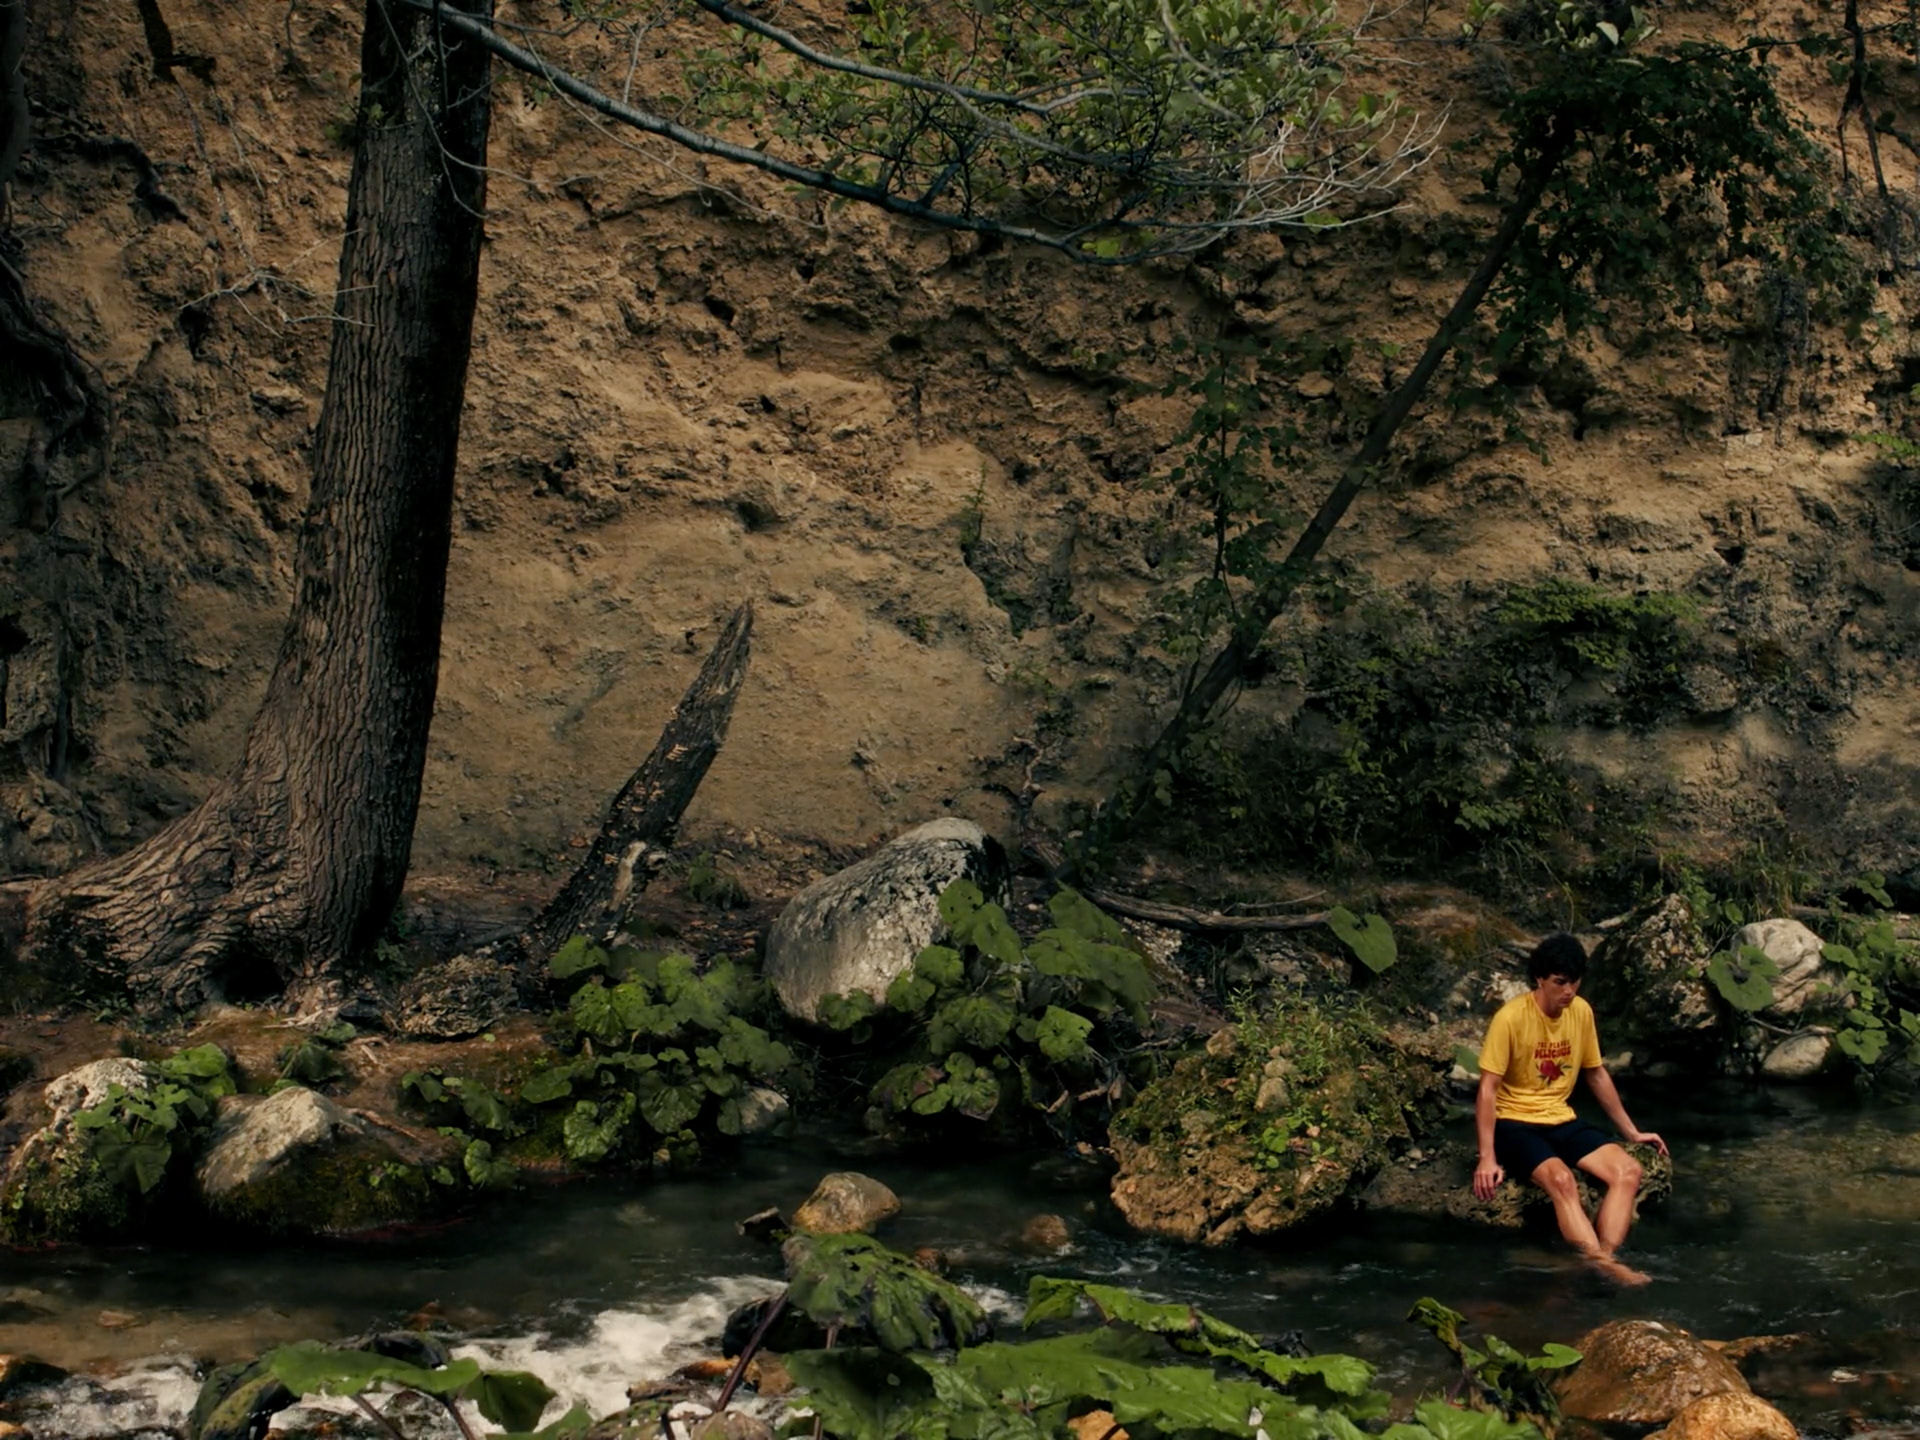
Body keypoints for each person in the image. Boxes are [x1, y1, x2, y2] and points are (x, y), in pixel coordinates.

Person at [1472, 932, 1668, 1285]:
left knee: (1628, 1171)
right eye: (1560, 982)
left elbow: (1596, 1073)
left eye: (1574, 982)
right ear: (1540, 979)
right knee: (1561, 1180)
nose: (1569, 991)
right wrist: (1487, 1156)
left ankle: (1604, 1259)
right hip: (1513, 1122)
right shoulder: (1510, 1018)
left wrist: (1632, 1132)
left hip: (1560, 1118)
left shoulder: (1581, 1012)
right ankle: (1607, 1267)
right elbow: (1488, 1088)